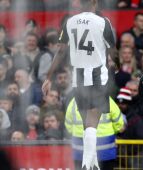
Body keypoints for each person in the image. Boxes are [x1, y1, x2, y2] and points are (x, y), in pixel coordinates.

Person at [41, 0, 115, 169]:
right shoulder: (103, 22)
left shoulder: (70, 21)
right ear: (95, 2)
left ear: (79, 4)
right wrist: (116, 65)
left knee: (86, 124)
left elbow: (60, 51)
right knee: (92, 122)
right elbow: (113, 49)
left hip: (78, 77)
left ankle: (91, 162)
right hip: (97, 75)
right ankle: (86, 165)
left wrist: (48, 77)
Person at [65, 97, 125, 170]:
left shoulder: (74, 101)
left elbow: (68, 126)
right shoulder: (107, 99)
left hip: (81, 153)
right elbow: (120, 125)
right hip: (105, 153)